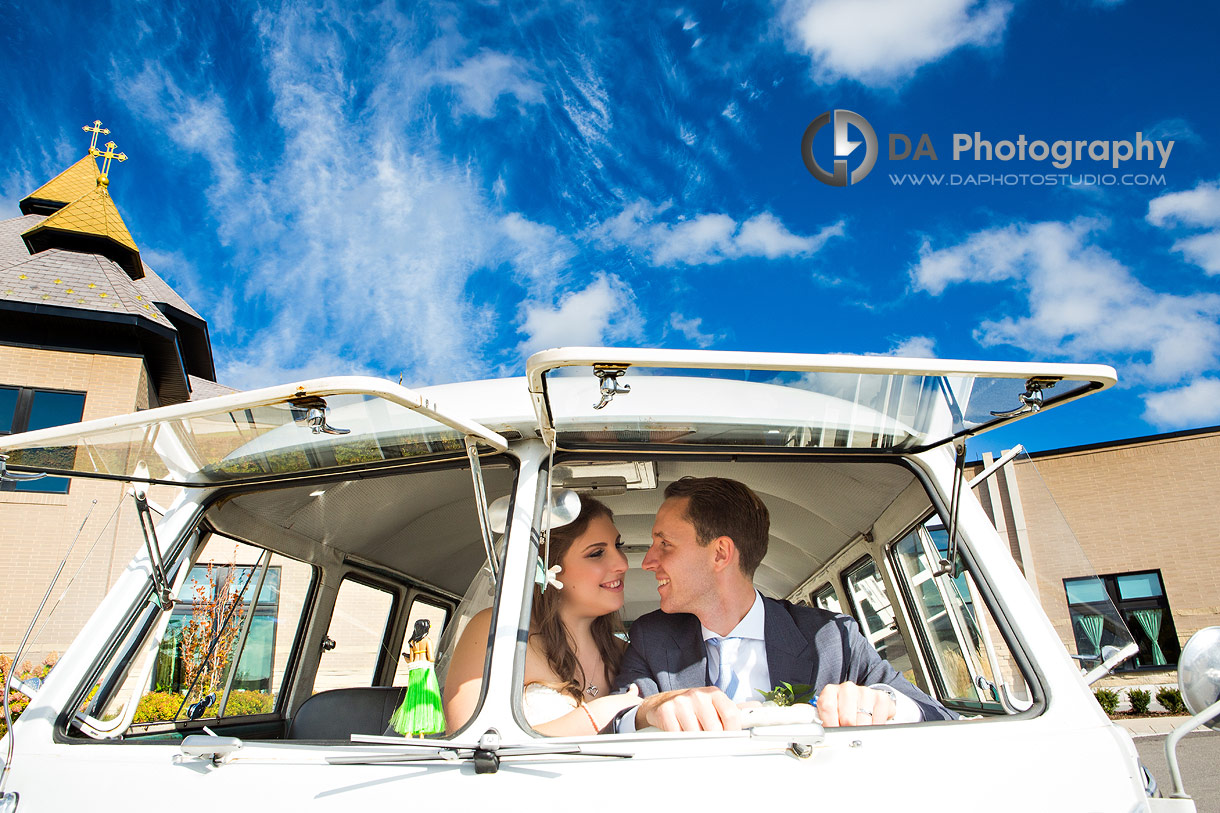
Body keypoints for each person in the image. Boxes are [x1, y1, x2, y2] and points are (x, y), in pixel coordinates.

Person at [612, 476, 956, 732]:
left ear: (720, 554)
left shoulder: (832, 639)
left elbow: (939, 716)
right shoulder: (651, 637)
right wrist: (652, 709)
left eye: (665, 544)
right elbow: (618, 716)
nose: (648, 562)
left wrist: (883, 702)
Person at [443, 495, 642, 735]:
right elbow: (469, 739)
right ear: (548, 566)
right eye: (596, 553)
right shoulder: (500, 633)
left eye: (617, 546)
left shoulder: (626, 653)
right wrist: (599, 715)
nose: (622, 563)